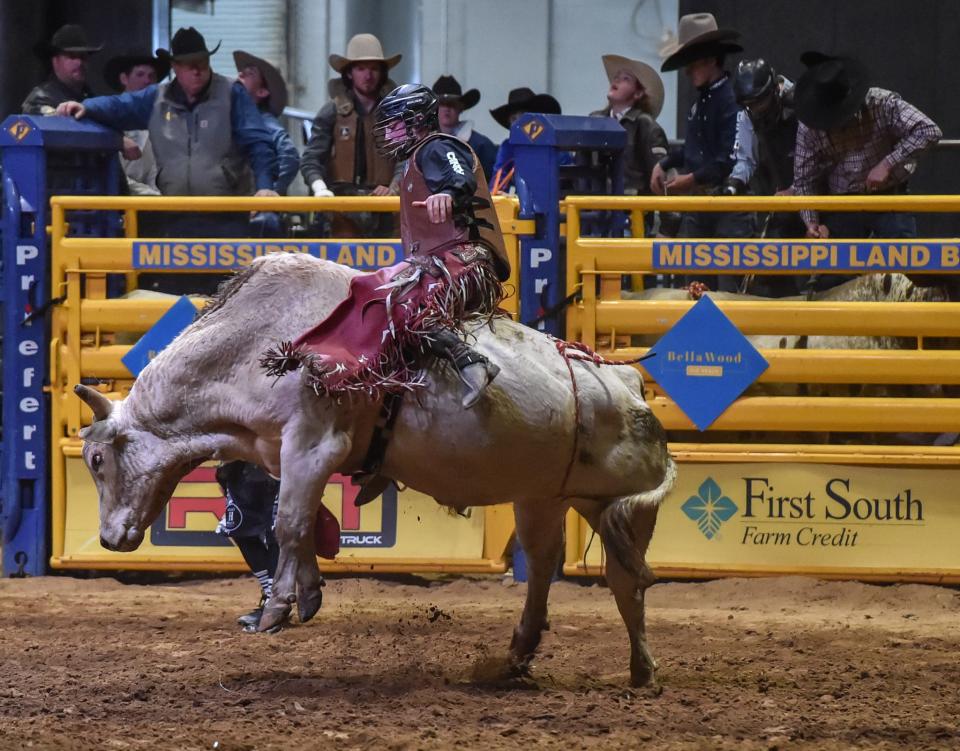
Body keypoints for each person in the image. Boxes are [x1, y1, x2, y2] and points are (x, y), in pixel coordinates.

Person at [264, 85, 511, 504]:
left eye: (396, 124)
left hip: (463, 262)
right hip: (437, 265)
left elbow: (459, 176)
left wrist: (448, 196)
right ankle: (382, 455)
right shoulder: (419, 158)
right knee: (387, 347)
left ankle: (473, 363)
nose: (390, 134)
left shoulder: (438, 147)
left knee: (390, 303)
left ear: (417, 121)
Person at [57, 27, 277, 243]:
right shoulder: (157, 98)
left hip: (227, 215)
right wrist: (87, 106)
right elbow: (120, 105)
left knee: (226, 278)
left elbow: (259, 143)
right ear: (175, 67)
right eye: (190, 65)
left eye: (202, 63)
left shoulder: (232, 93)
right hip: (175, 215)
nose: (197, 71)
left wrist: (265, 186)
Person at [792, 51, 942, 291]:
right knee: (830, 280)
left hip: (888, 199)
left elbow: (928, 130)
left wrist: (887, 163)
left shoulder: (881, 103)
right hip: (842, 204)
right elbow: (803, 179)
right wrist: (811, 222)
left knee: (908, 269)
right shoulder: (809, 125)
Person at [650, 12, 753, 292]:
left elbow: (729, 159)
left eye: (692, 63)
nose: (687, 71)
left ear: (710, 60)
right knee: (694, 284)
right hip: (701, 206)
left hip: (728, 207)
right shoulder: (703, 103)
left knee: (728, 287)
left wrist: (690, 179)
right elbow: (695, 149)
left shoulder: (731, 103)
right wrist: (665, 162)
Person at [300, 33, 403, 237]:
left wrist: (394, 188)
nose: (368, 75)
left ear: (382, 73)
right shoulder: (331, 112)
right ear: (349, 73)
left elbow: (406, 158)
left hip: (387, 207)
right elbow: (311, 159)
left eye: (374, 69)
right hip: (341, 207)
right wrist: (320, 188)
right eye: (361, 68)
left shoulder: (396, 113)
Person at [727, 58, 803, 296]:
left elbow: (821, 156)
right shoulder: (747, 116)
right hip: (775, 198)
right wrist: (734, 183)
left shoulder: (802, 105)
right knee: (772, 270)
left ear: (773, 89)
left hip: (814, 196)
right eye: (750, 104)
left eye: (760, 101)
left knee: (820, 269)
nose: (757, 109)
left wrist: (798, 188)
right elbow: (745, 159)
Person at [235, 50, 300, 237]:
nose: (240, 75)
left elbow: (290, 155)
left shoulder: (264, 121)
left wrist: (270, 192)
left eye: (250, 73)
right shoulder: (239, 117)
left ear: (262, 92)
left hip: (253, 211)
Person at [215, 461, 284, 633]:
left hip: (283, 463)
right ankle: (272, 596)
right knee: (238, 528)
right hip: (241, 463)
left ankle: (274, 602)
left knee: (279, 532)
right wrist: (222, 473)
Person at [590, 54, 668, 198]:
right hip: (597, 206)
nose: (617, 80)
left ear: (638, 93)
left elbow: (659, 176)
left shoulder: (646, 125)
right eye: (616, 77)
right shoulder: (595, 120)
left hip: (633, 209)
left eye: (626, 78)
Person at [103, 50, 171, 195]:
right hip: (117, 200)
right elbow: (111, 172)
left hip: (152, 204)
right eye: (140, 75)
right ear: (124, 78)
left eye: (151, 76)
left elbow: (157, 169)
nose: (147, 81)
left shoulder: (161, 119)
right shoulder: (109, 115)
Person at [489, 87, 562, 194]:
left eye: (524, 117)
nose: (520, 124)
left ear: (537, 119)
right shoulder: (508, 147)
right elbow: (497, 182)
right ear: (510, 123)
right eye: (514, 119)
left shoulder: (555, 144)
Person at [23, 24, 102, 115]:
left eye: (83, 57)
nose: (79, 62)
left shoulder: (92, 98)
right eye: (72, 56)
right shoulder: (40, 100)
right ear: (55, 61)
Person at [432, 74, 497, 180]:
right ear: (434, 108)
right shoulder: (424, 144)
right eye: (442, 103)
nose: (447, 108)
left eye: (452, 104)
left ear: (461, 108)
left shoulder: (481, 145)